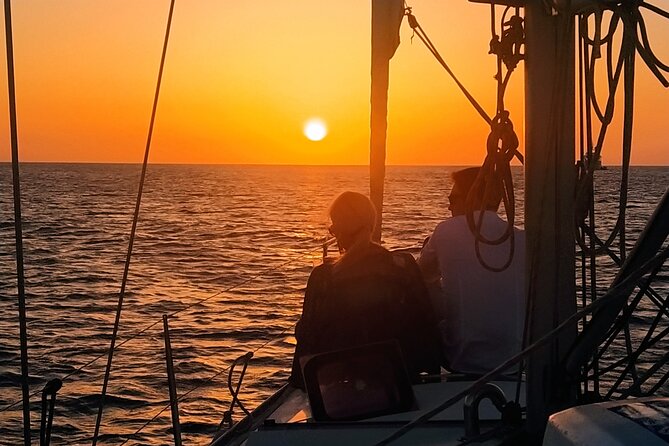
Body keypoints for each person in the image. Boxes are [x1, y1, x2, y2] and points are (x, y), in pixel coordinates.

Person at [290, 191, 441, 387]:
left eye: (333, 227)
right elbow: (424, 324)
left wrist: (300, 382)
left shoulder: (324, 277)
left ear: (341, 230)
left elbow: (310, 336)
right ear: (371, 223)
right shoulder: (403, 266)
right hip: (399, 383)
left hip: (345, 387)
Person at [418, 167, 526, 375]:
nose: (450, 207)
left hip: (461, 358)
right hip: (514, 359)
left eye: (454, 199)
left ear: (475, 197)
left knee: (418, 288)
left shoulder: (446, 230)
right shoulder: (521, 239)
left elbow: (422, 275)